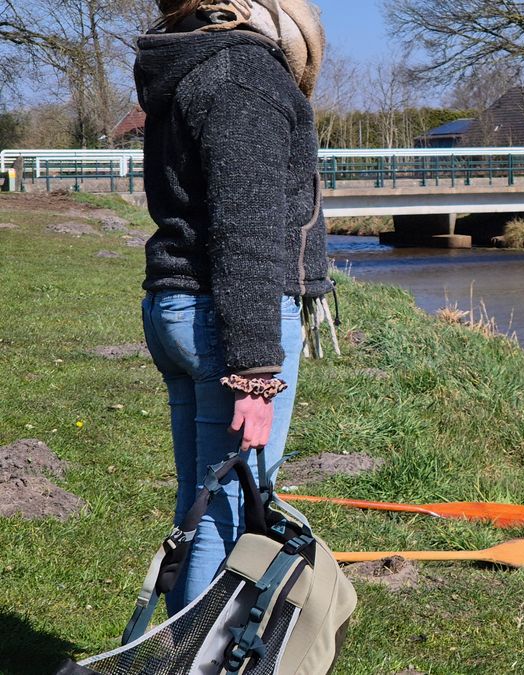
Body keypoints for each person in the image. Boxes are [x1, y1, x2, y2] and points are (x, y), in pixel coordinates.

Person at [137, 0, 330, 613]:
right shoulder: (243, 75)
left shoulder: (195, 64)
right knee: (224, 515)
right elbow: (247, 229)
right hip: (224, 319)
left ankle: (183, 652)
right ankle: (199, 658)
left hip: (182, 306)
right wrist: (255, 372)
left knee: (201, 504)